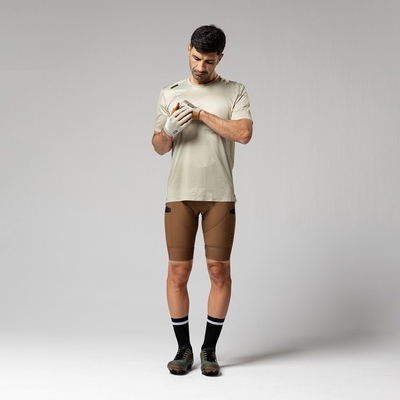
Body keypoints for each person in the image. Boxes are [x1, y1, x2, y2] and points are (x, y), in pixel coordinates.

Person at [152, 24, 253, 376]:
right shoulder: (170, 92)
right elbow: (158, 146)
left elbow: (244, 133)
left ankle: (209, 349)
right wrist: (168, 131)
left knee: (218, 271)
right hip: (180, 194)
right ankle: (183, 349)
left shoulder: (234, 91)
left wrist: (201, 114)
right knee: (178, 272)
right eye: (196, 58)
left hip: (219, 195)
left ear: (219, 58)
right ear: (188, 50)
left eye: (208, 61)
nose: (200, 67)